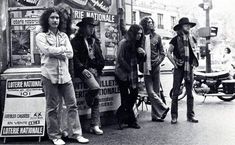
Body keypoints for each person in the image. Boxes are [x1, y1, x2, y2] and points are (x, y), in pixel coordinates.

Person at [35, 8, 89, 145]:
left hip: (65, 75)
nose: (55, 20)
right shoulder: (41, 36)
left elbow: (70, 54)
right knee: (52, 107)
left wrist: (56, 52)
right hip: (49, 75)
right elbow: (46, 51)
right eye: (52, 17)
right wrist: (61, 51)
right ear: (47, 19)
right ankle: (55, 136)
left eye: (57, 18)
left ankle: (76, 133)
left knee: (72, 105)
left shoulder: (64, 36)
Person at [71, 17, 105, 135]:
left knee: (97, 98)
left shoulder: (95, 41)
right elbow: (74, 58)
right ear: (83, 28)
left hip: (94, 71)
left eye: (93, 27)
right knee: (95, 89)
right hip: (83, 71)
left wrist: (97, 68)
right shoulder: (76, 41)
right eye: (90, 27)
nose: (92, 29)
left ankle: (95, 124)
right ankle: (89, 99)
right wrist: (83, 68)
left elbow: (101, 58)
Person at [167, 17, 199, 124]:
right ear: (181, 27)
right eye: (186, 25)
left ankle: (191, 116)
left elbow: (195, 52)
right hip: (179, 69)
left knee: (190, 94)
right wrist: (174, 63)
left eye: (189, 25)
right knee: (175, 93)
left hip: (189, 68)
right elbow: (168, 53)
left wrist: (194, 62)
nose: (188, 27)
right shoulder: (175, 39)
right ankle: (174, 116)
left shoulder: (192, 38)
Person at [115, 24, 146, 129]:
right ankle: (130, 120)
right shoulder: (123, 43)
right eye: (137, 33)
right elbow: (120, 59)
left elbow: (139, 62)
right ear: (133, 33)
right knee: (125, 97)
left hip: (133, 74)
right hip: (123, 74)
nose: (139, 36)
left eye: (140, 34)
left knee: (133, 95)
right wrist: (128, 70)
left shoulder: (136, 45)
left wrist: (143, 54)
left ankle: (122, 115)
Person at [139, 16, 169, 122]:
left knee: (156, 91)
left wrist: (158, 61)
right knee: (150, 91)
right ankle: (163, 107)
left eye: (151, 22)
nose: (150, 23)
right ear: (144, 24)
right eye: (148, 22)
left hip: (156, 67)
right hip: (145, 67)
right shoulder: (141, 37)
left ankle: (156, 116)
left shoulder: (157, 37)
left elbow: (162, 53)